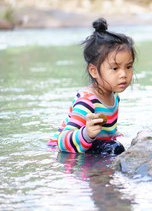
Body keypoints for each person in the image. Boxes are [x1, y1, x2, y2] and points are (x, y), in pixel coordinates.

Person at [47, 18, 136, 155]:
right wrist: (86, 133)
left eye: (128, 67)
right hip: (66, 152)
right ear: (94, 71)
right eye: (114, 68)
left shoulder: (114, 96)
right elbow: (62, 141)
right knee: (115, 149)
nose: (123, 74)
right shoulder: (87, 101)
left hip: (91, 147)